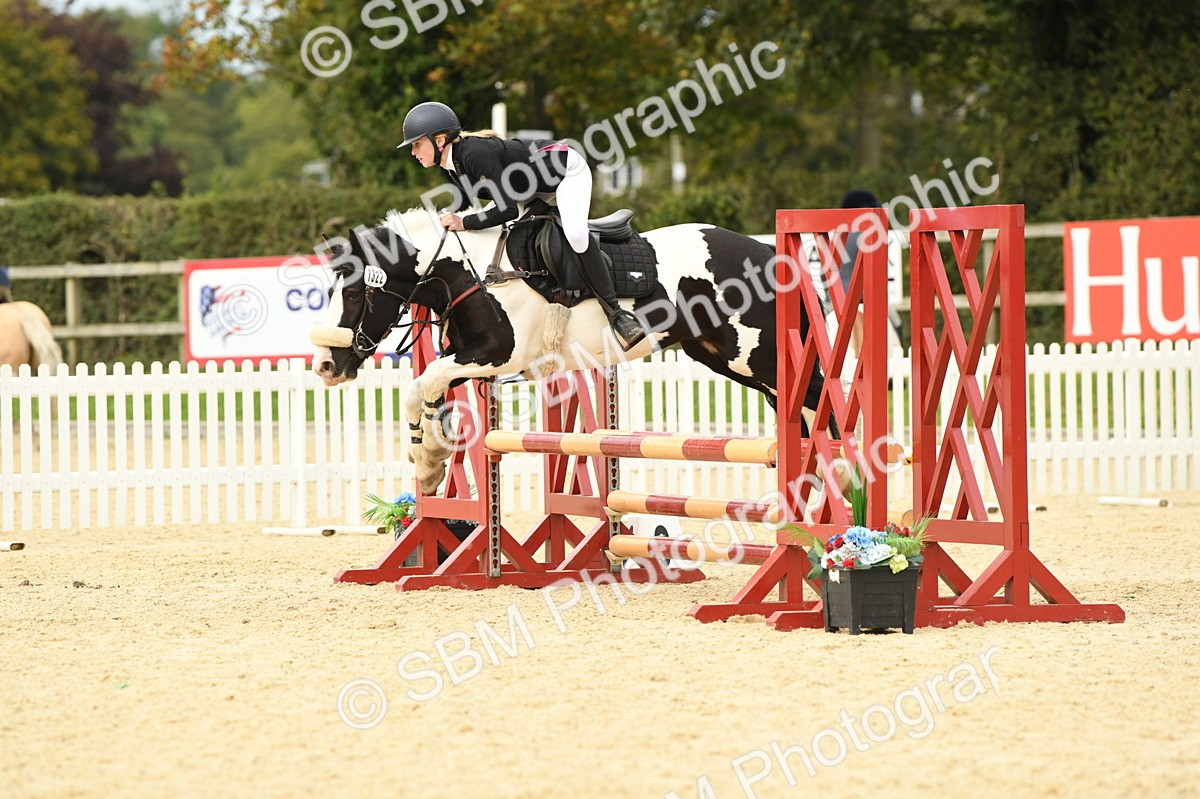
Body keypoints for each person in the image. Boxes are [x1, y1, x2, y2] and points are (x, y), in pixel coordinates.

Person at [398, 101, 646, 350]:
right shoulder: (452, 165)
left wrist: (464, 222)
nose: (413, 152)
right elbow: (471, 210)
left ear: (439, 140)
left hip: (565, 170)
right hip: (528, 188)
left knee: (576, 234)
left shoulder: (473, 154)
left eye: (417, 144)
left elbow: (504, 210)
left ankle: (617, 315)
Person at [837, 190, 904, 355]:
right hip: (859, 296)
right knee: (896, 321)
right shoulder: (867, 235)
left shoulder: (838, 236)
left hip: (835, 297)